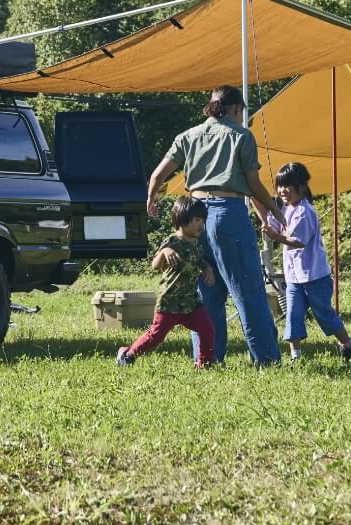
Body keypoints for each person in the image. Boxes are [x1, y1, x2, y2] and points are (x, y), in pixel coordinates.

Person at [146, 85, 283, 366]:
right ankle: (266, 361)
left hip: (192, 217)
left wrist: (151, 199)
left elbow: (158, 175)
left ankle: (207, 359)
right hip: (227, 215)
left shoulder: (188, 136)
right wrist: (274, 212)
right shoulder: (241, 136)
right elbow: (253, 184)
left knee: (206, 294)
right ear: (235, 109)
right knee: (248, 292)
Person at [260, 162, 351, 363]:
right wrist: (259, 203)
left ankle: (350, 346)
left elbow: (298, 241)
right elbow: (270, 220)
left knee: (324, 315)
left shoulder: (304, 211)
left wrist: (276, 236)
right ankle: (295, 357)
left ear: (301, 187)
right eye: (279, 186)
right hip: (294, 278)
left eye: (287, 186)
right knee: (292, 315)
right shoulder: (286, 209)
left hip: (315, 276)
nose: (282, 190)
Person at [116, 196, 217, 367]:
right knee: (156, 336)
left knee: (207, 329)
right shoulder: (172, 241)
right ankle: (128, 354)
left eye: (203, 220)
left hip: (190, 302)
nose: (201, 224)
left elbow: (200, 261)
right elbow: (155, 265)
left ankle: (204, 364)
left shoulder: (197, 244)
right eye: (197, 220)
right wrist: (164, 252)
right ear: (183, 219)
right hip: (169, 302)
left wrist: (208, 269)